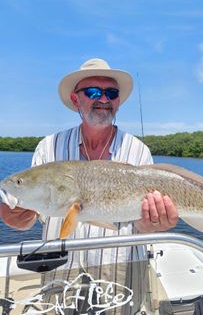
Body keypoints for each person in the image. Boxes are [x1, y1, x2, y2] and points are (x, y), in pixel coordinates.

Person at [0, 58, 179, 314]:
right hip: (59, 268)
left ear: (117, 101)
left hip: (119, 269)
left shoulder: (139, 151)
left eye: (111, 93)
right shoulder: (48, 147)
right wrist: (15, 217)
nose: (103, 99)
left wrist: (152, 225)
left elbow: (141, 225)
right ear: (76, 100)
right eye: (93, 92)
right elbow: (26, 217)